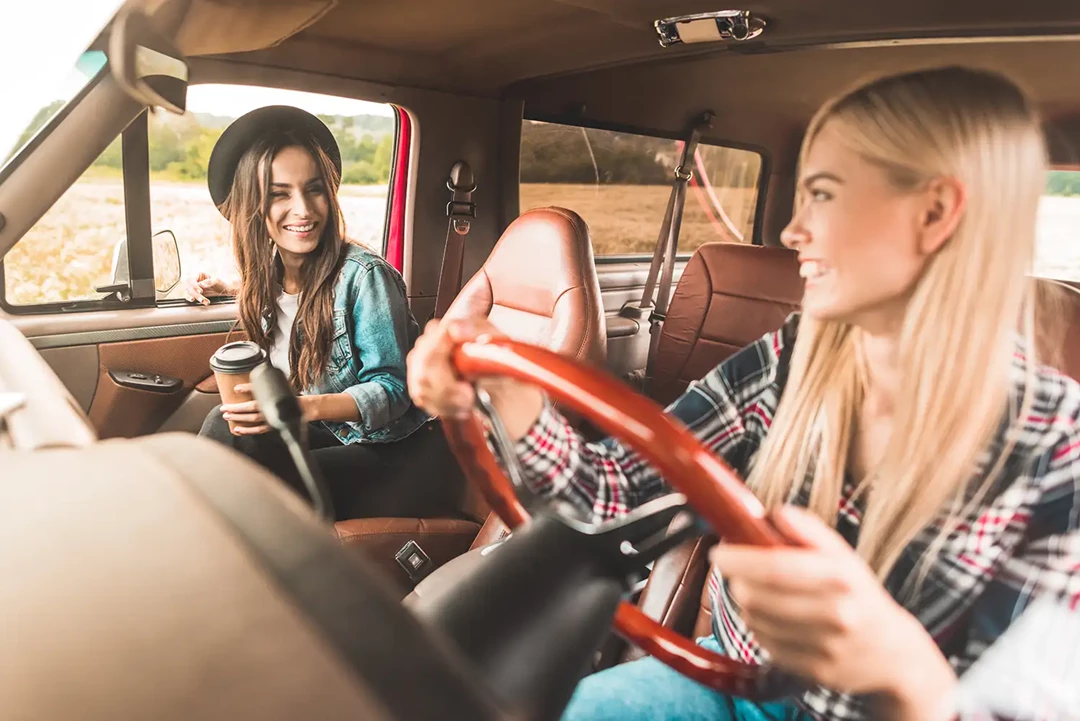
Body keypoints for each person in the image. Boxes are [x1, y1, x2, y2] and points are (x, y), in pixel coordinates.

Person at [406, 66, 1080, 721]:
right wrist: (508, 388)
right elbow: (610, 499)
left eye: (823, 194)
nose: (792, 232)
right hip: (729, 685)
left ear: (934, 211)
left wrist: (907, 675)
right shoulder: (791, 361)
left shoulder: (1059, 452)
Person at [183, 105, 464, 522]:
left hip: (389, 451)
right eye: (280, 193)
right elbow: (293, 306)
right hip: (334, 435)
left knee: (255, 487)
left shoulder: (365, 277)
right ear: (251, 206)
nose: (304, 210)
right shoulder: (269, 277)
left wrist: (300, 409)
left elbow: (393, 390)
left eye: (313, 189)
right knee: (226, 424)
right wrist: (226, 287)